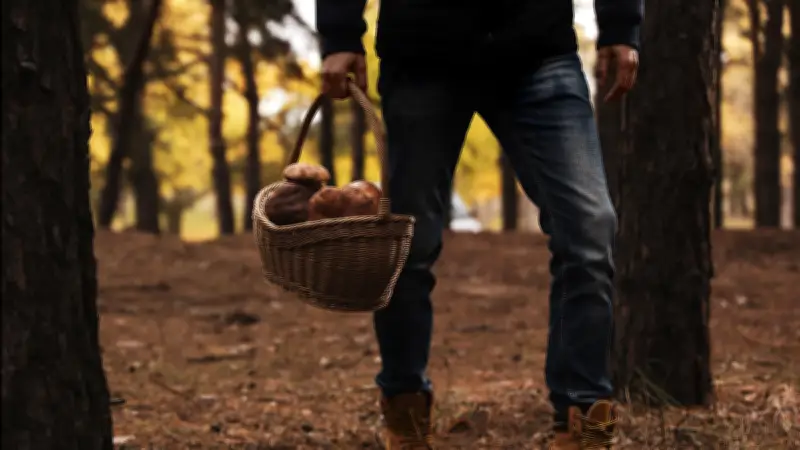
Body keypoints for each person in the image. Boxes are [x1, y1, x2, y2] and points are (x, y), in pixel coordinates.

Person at [316, 0, 641, 448]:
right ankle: (405, 415)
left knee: (589, 227)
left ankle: (583, 418)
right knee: (407, 244)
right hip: (422, 56)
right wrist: (339, 34)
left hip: (538, 53)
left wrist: (621, 25)